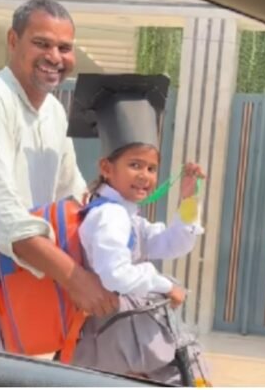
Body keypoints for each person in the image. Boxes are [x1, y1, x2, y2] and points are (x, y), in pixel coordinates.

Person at [0, 0, 118, 349]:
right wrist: (76, 279)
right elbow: (4, 216)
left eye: (64, 47)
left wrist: (119, 207)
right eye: (42, 43)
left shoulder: (54, 112)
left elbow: (70, 200)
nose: (54, 57)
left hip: (31, 282)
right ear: (13, 41)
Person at [67, 73, 211, 385]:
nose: (144, 176)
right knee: (185, 369)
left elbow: (171, 244)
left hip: (123, 332)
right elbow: (114, 274)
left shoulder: (126, 216)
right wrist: (162, 284)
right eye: (134, 165)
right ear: (107, 168)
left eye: (151, 168)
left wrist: (189, 199)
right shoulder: (109, 217)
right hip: (110, 335)